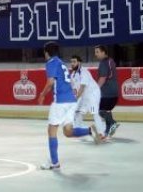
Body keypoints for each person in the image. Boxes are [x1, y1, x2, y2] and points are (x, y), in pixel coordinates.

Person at [37, 42, 100, 170]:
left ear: (47, 52)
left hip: (60, 101)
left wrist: (42, 94)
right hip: (71, 101)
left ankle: (54, 163)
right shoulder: (61, 63)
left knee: (51, 131)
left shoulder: (51, 63)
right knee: (68, 131)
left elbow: (50, 82)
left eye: (44, 52)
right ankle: (89, 131)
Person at [69, 55, 105, 138]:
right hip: (84, 95)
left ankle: (101, 134)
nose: (72, 64)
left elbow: (81, 88)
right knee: (77, 112)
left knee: (94, 113)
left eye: (74, 62)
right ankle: (80, 131)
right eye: (71, 62)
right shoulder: (72, 75)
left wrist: (75, 100)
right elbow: (74, 90)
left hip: (92, 94)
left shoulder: (84, 72)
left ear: (79, 62)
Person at [94, 45, 120, 138]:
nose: (95, 54)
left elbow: (103, 78)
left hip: (107, 93)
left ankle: (113, 123)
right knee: (107, 111)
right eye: (95, 52)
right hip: (114, 92)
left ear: (103, 52)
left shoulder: (103, 63)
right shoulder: (111, 61)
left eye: (97, 52)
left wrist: (95, 90)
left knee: (99, 110)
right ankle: (107, 130)